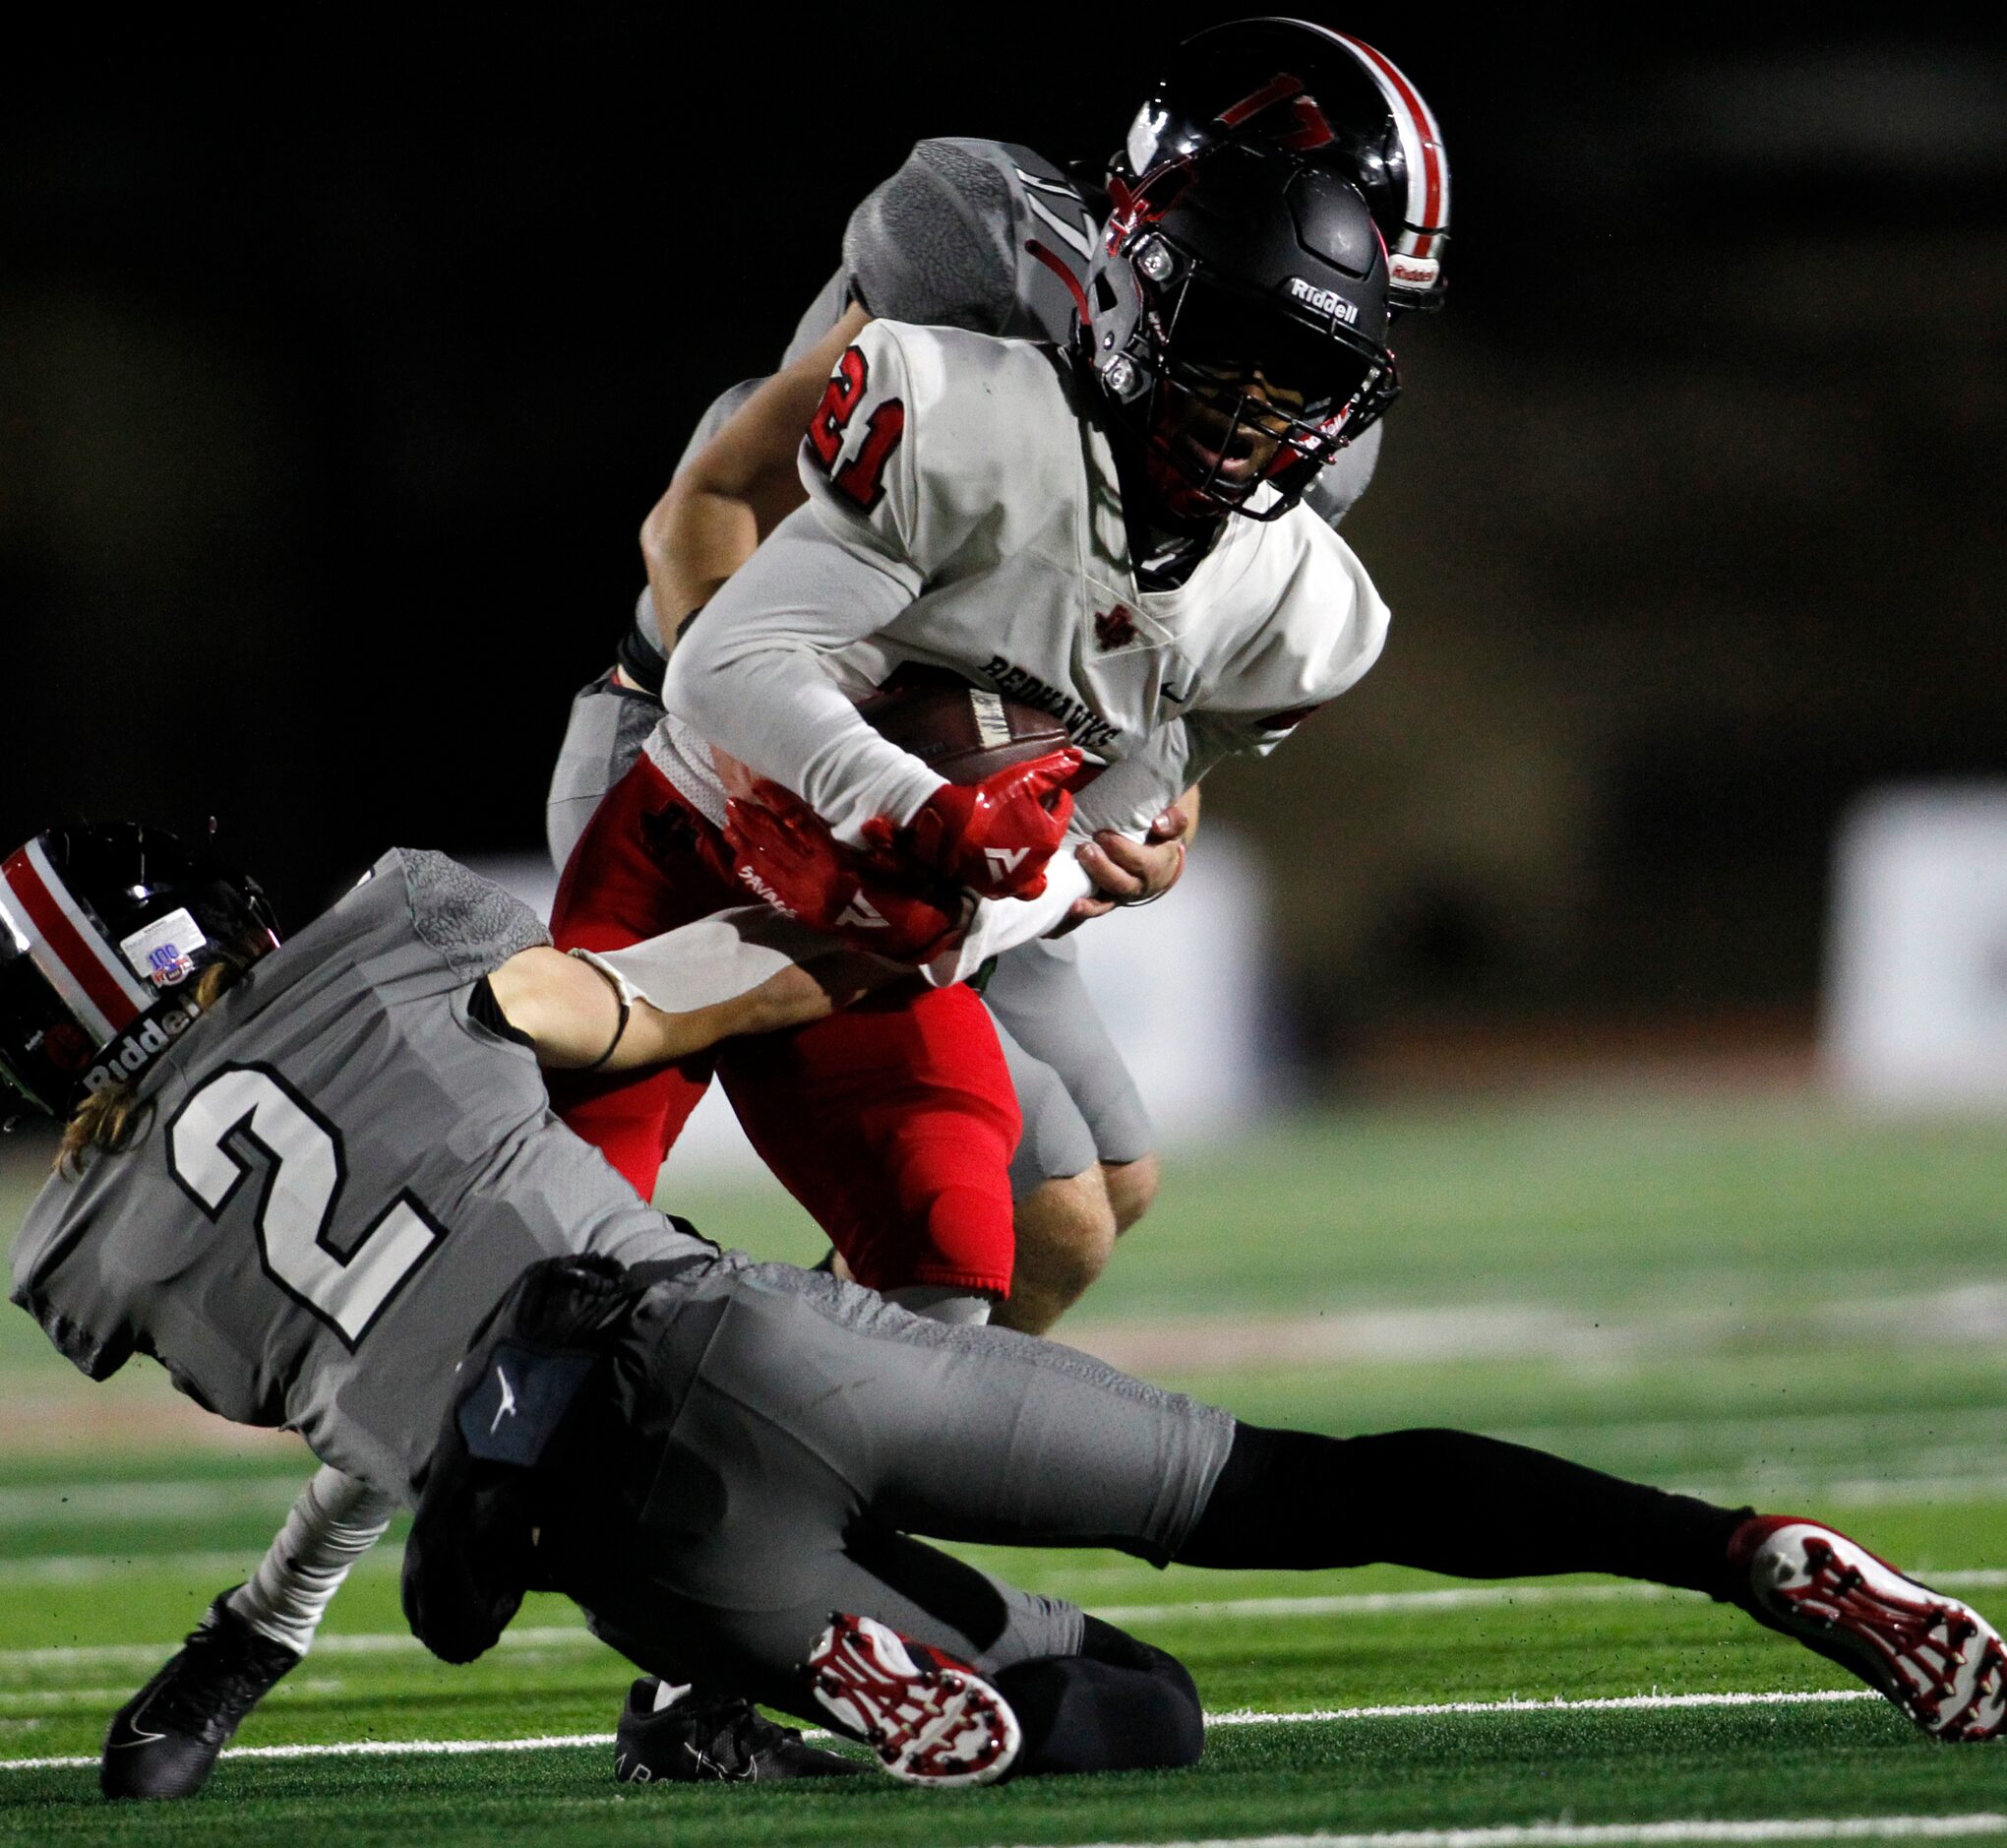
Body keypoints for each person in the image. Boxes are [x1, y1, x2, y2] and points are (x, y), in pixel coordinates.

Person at [7, 829, 2000, 1805]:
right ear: (203, 928)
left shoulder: (93, 1269)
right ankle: (1737, 1556)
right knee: (1301, 1494)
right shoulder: (401, 934)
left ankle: (834, 1671)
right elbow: (645, 1012)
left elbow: (367, 1413)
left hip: (632, 1529)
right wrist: (871, 942)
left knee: (1103, 1715)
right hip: (756, 1335)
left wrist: (239, 1653)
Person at [548, 17, 1451, 1331]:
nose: (1323, 337)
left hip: (963, 785)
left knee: (1115, 1187)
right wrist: (800, 782)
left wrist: (1149, 807)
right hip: (730, 754)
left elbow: (1154, 648)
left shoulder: (1296, 423)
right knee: (1044, 1223)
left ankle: (783, 1409)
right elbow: (714, 502)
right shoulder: (981, 243)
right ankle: (763, 1437)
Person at [0, 823, 880, 1795]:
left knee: (477, 1344)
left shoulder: (74, 1246)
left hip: (714, 907)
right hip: (681, 908)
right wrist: (908, 929)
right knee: (526, 1340)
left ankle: (261, 1626)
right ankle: (698, 1683)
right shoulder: (388, 946)